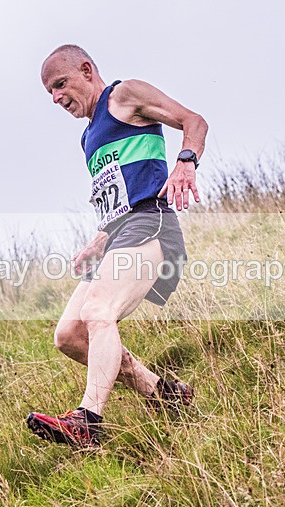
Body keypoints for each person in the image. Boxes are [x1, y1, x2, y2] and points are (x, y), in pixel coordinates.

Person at [27, 44, 208, 448]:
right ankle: (165, 395)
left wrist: (186, 161)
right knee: (69, 335)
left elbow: (194, 121)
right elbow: (118, 197)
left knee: (97, 311)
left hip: (151, 223)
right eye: (50, 92)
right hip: (119, 235)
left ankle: (87, 421)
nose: (56, 98)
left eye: (60, 84)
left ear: (86, 70)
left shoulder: (124, 96)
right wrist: (99, 239)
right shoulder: (88, 137)